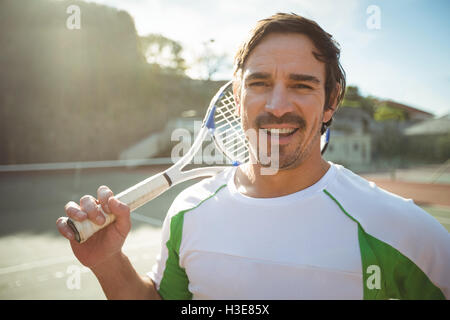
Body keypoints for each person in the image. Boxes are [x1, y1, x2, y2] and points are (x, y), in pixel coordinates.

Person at [56, 13, 449, 300]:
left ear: (330, 102)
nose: (278, 106)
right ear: (238, 97)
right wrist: (108, 262)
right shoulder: (188, 211)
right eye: (259, 83)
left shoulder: (396, 225)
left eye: (302, 85)